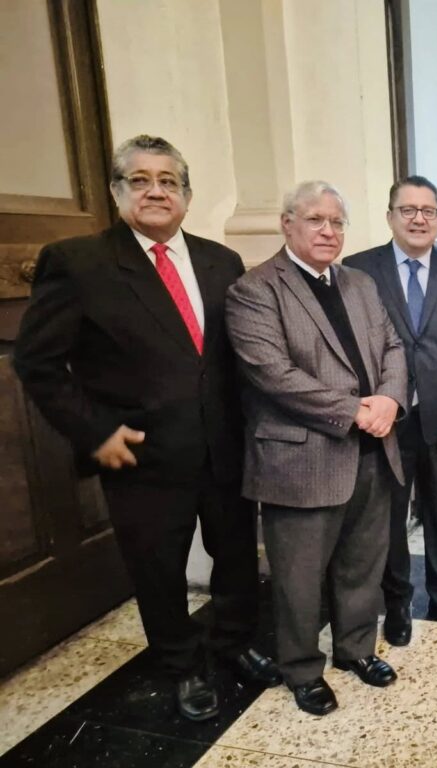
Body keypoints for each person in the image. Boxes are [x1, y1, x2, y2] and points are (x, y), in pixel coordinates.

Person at [13, 135, 280, 722]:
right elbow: (35, 362)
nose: (156, 191)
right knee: (159, 569)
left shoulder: (220, 261)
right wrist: (93, 432)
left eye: (168, 180)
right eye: (140, 180)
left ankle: (234, 643)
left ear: (186, 194)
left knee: (236, 555)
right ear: (117, 192)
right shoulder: (78, 263)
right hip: (143, 455)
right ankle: (181, 665)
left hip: (226, 445)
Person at [225, 181, 406, 716]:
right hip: (303, 458)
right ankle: (302, 669)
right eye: (315, 220)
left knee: (361, 564)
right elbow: (272, 374)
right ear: (287, 224)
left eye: (337, 222)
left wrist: (390, 400)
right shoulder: (255, 289)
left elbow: (393, 346)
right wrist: (356, 410)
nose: (328, 231)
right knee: (299, 579)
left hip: (372, 450)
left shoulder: (360, 284)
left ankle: (355, 649)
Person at [346, 176, 437, 643]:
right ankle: (397, 603)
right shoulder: (358, 269)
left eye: (428, 210)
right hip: (385, 420)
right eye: (407, 209)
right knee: (388, 517)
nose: (418, 219)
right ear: (390, 216)